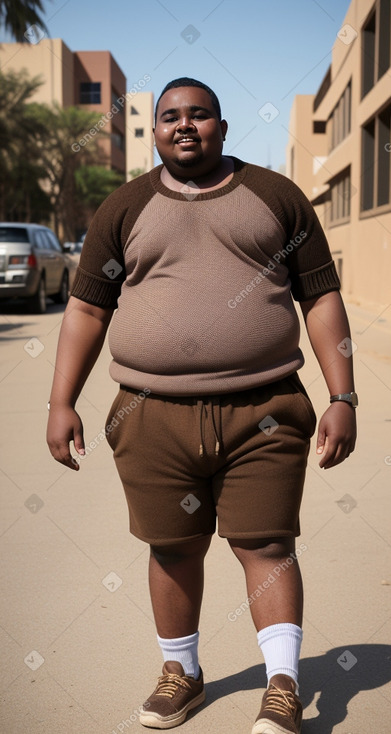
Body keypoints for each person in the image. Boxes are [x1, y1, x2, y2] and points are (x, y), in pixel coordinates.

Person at [47, 77, 357, 734]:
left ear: (221, 124)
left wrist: (342, 395)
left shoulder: (276, 197)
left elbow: (320, 298)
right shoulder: (123, 208)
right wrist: (60, 400)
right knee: (171, 547)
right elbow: (85, 309)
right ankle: (180, 674)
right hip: (150, 415)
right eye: (169, 117)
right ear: (154, 130)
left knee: (266, 544)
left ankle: (281, 685)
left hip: (264, 409)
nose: (184, 125)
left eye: (198, 115)